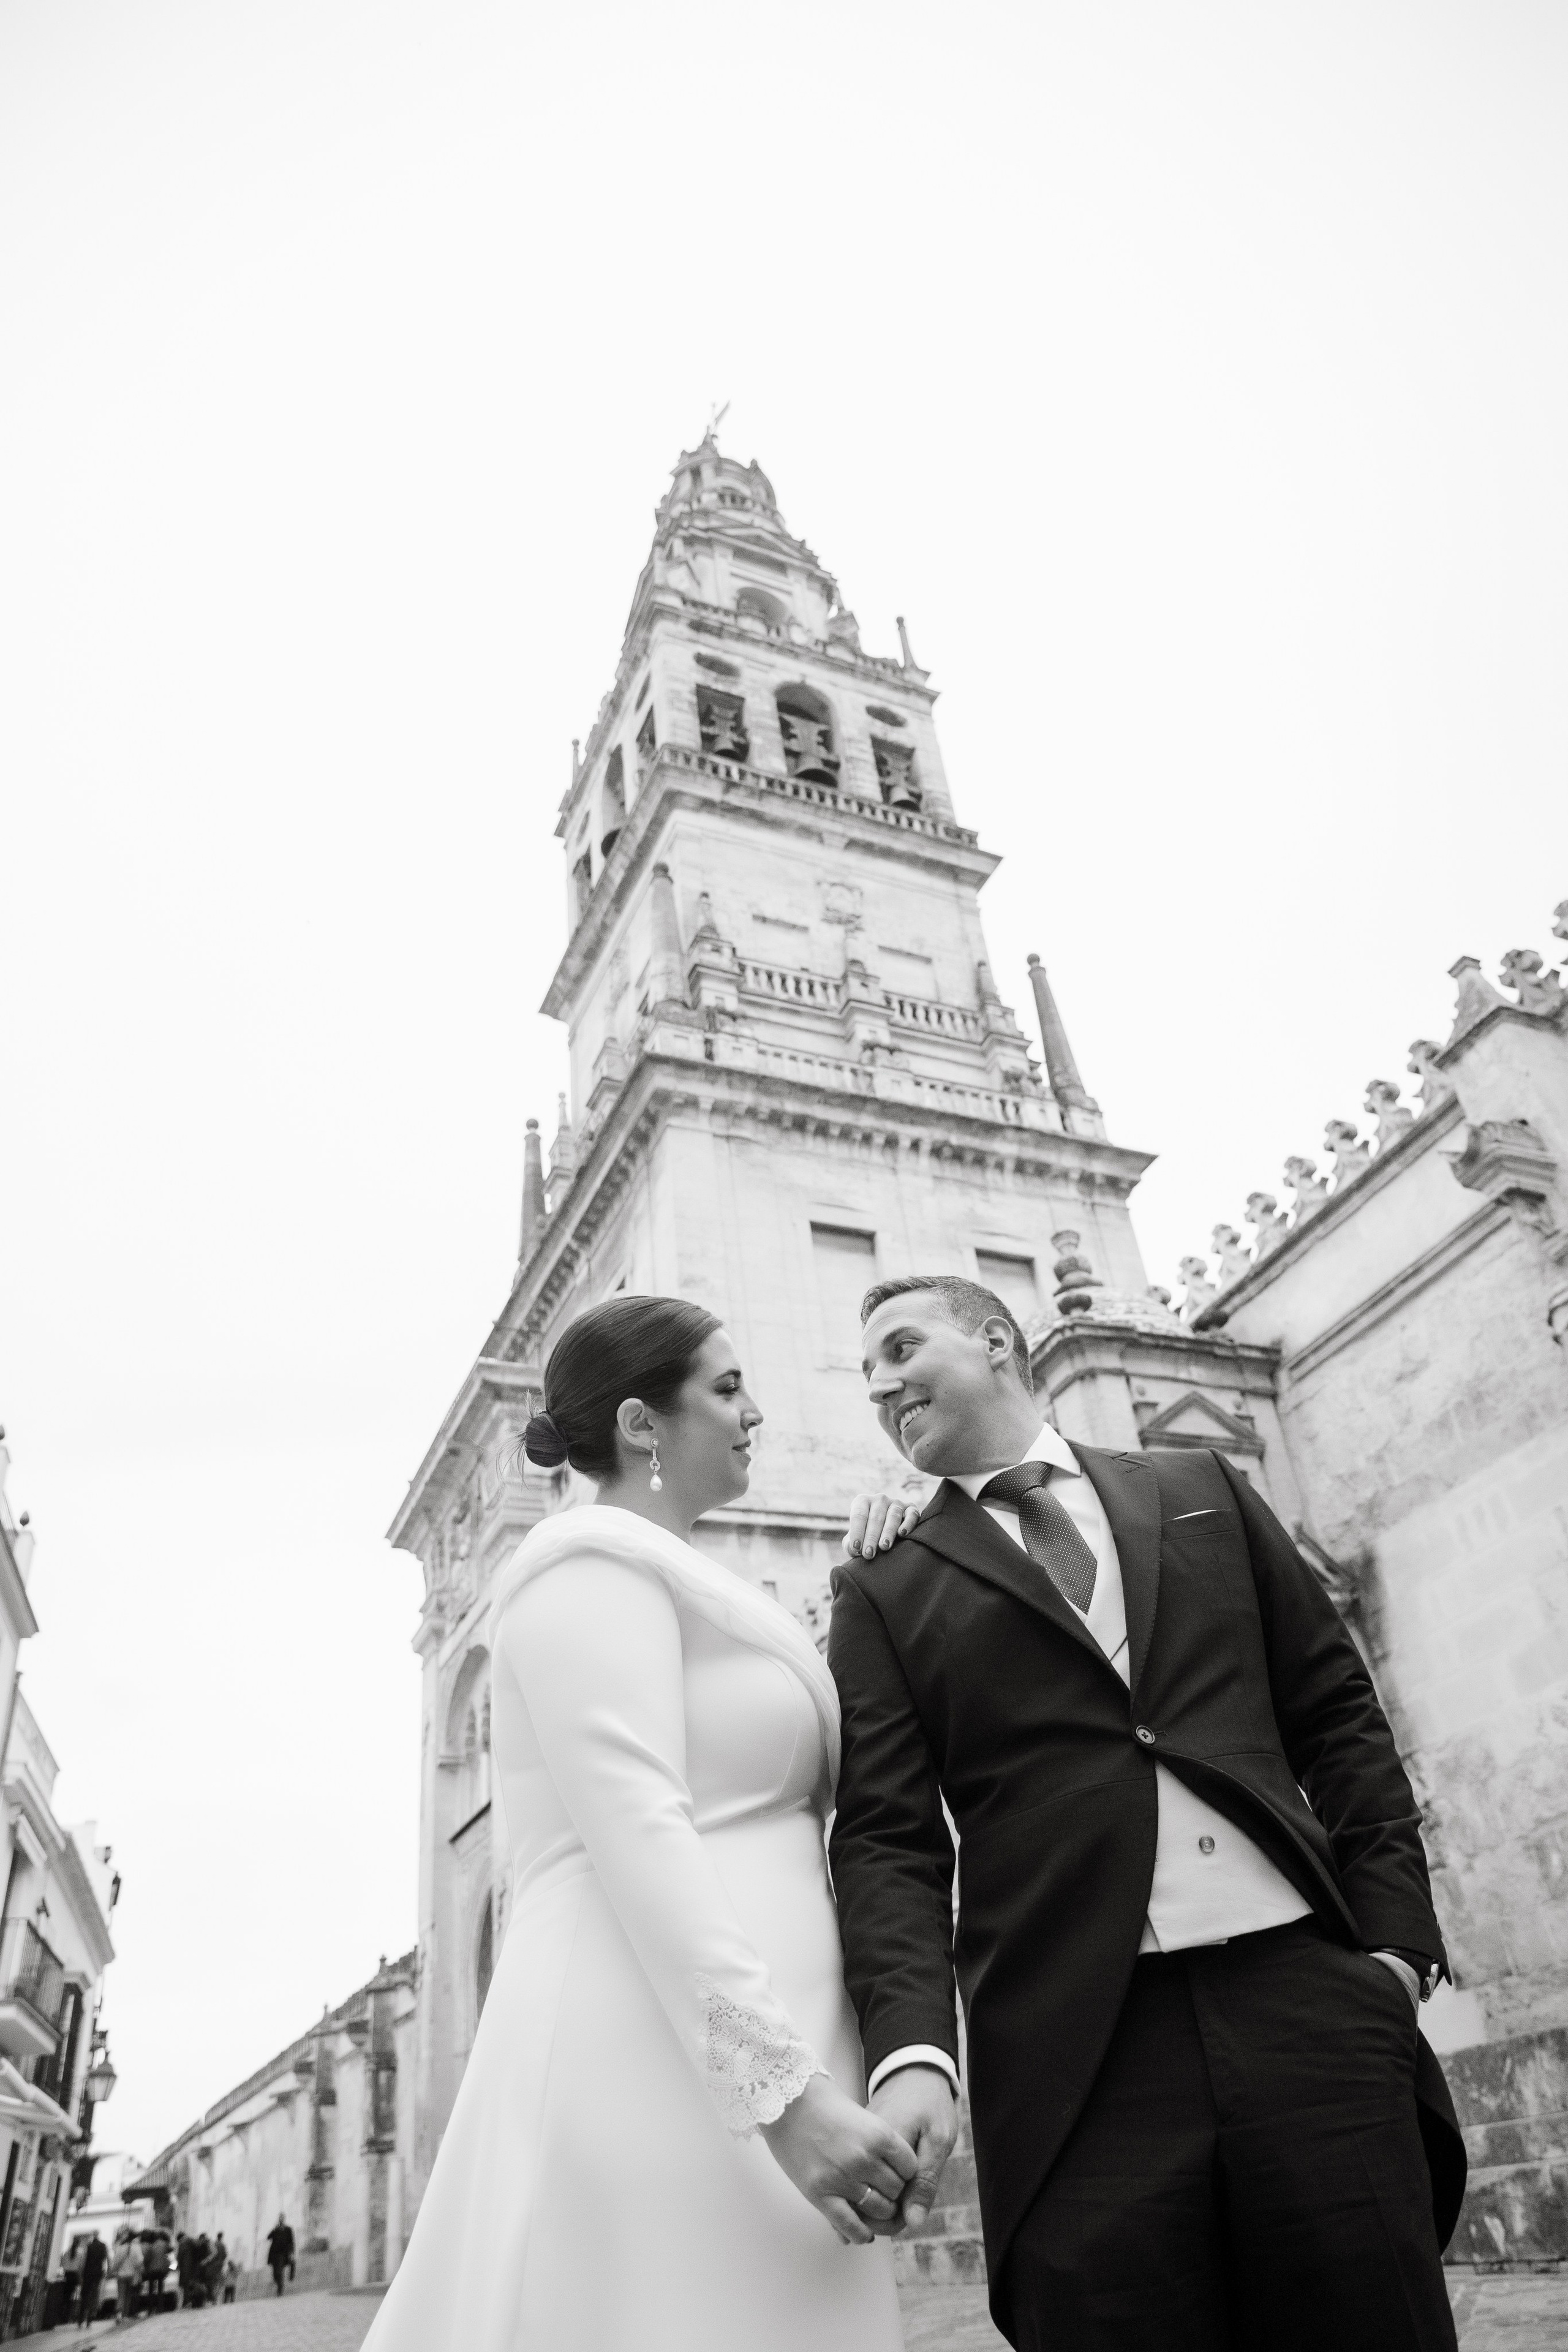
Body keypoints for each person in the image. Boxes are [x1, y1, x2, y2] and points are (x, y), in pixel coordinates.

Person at [829, 1273, 1467, 2352]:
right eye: (868, 1376)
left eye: (899, 1349)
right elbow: (888, 1839)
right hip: (1077, 2050)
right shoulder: (883, 1584)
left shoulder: (1199, 1481)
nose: (881, 1387)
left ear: (996, 1341)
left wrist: (1396, 1946)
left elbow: (1338, 1713)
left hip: (1308, 2005)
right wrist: (913, 2053)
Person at [363, 1295, 916, 2352]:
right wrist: (784, 2100)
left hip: (762, 2069)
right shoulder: (585, 1565)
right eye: (726, 1386)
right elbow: (639, 1831)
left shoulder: (693, 1579)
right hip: (658, 2074)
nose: (756, 1411)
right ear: (639, 1425)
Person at [111, 2226, 142, 2321]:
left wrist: (115, 2271)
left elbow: (115, 2263)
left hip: (121, 2275)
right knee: (128, 2296)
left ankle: (119, 2314)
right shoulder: (136, 2248)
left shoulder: (121, 2248)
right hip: (132, 2275)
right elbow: (140, 2261)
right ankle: (125, 2315)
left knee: (121, 2295)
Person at [78, 2231, 107, 2329]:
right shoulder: (103, 2247)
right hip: (98, 2275)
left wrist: (81, 2274)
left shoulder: (88, 2247)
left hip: (87, 2274)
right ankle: (90, 2320)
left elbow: (83, 2262)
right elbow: (105, 2261)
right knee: (94, 2296)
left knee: (85, 2296)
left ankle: (81, 2319)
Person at [266, 2217, 294, 2296]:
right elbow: (268, 2237)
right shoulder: (276, 2229)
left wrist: (292, 2253)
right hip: (274, 2254)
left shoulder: (288, 2229)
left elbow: (291, 2241)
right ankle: (279, 2284)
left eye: (282, 2219)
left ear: (284, 2220)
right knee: (275, 2274)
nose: (281, 2220)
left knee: (279, 2271)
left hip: (283, 2254)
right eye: (280, 2219)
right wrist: (274, 2229)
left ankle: (280, 2289)